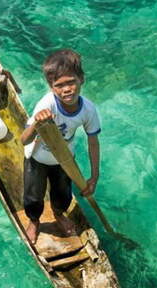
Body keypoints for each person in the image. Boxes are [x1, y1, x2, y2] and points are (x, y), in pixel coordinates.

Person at [20, 49, 101, 245]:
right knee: (33, 195)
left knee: (63, 194)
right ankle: (34, 221)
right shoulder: (47, 105)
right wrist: (37, 124)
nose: (66, 89)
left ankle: (59, 214)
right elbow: (24, 140)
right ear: (51, 87)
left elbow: (93, 142)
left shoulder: (89, 110)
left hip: (64, 159)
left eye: (71, 82)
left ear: (81, 79)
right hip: (37, 158)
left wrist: (94, 176)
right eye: (59, 85)